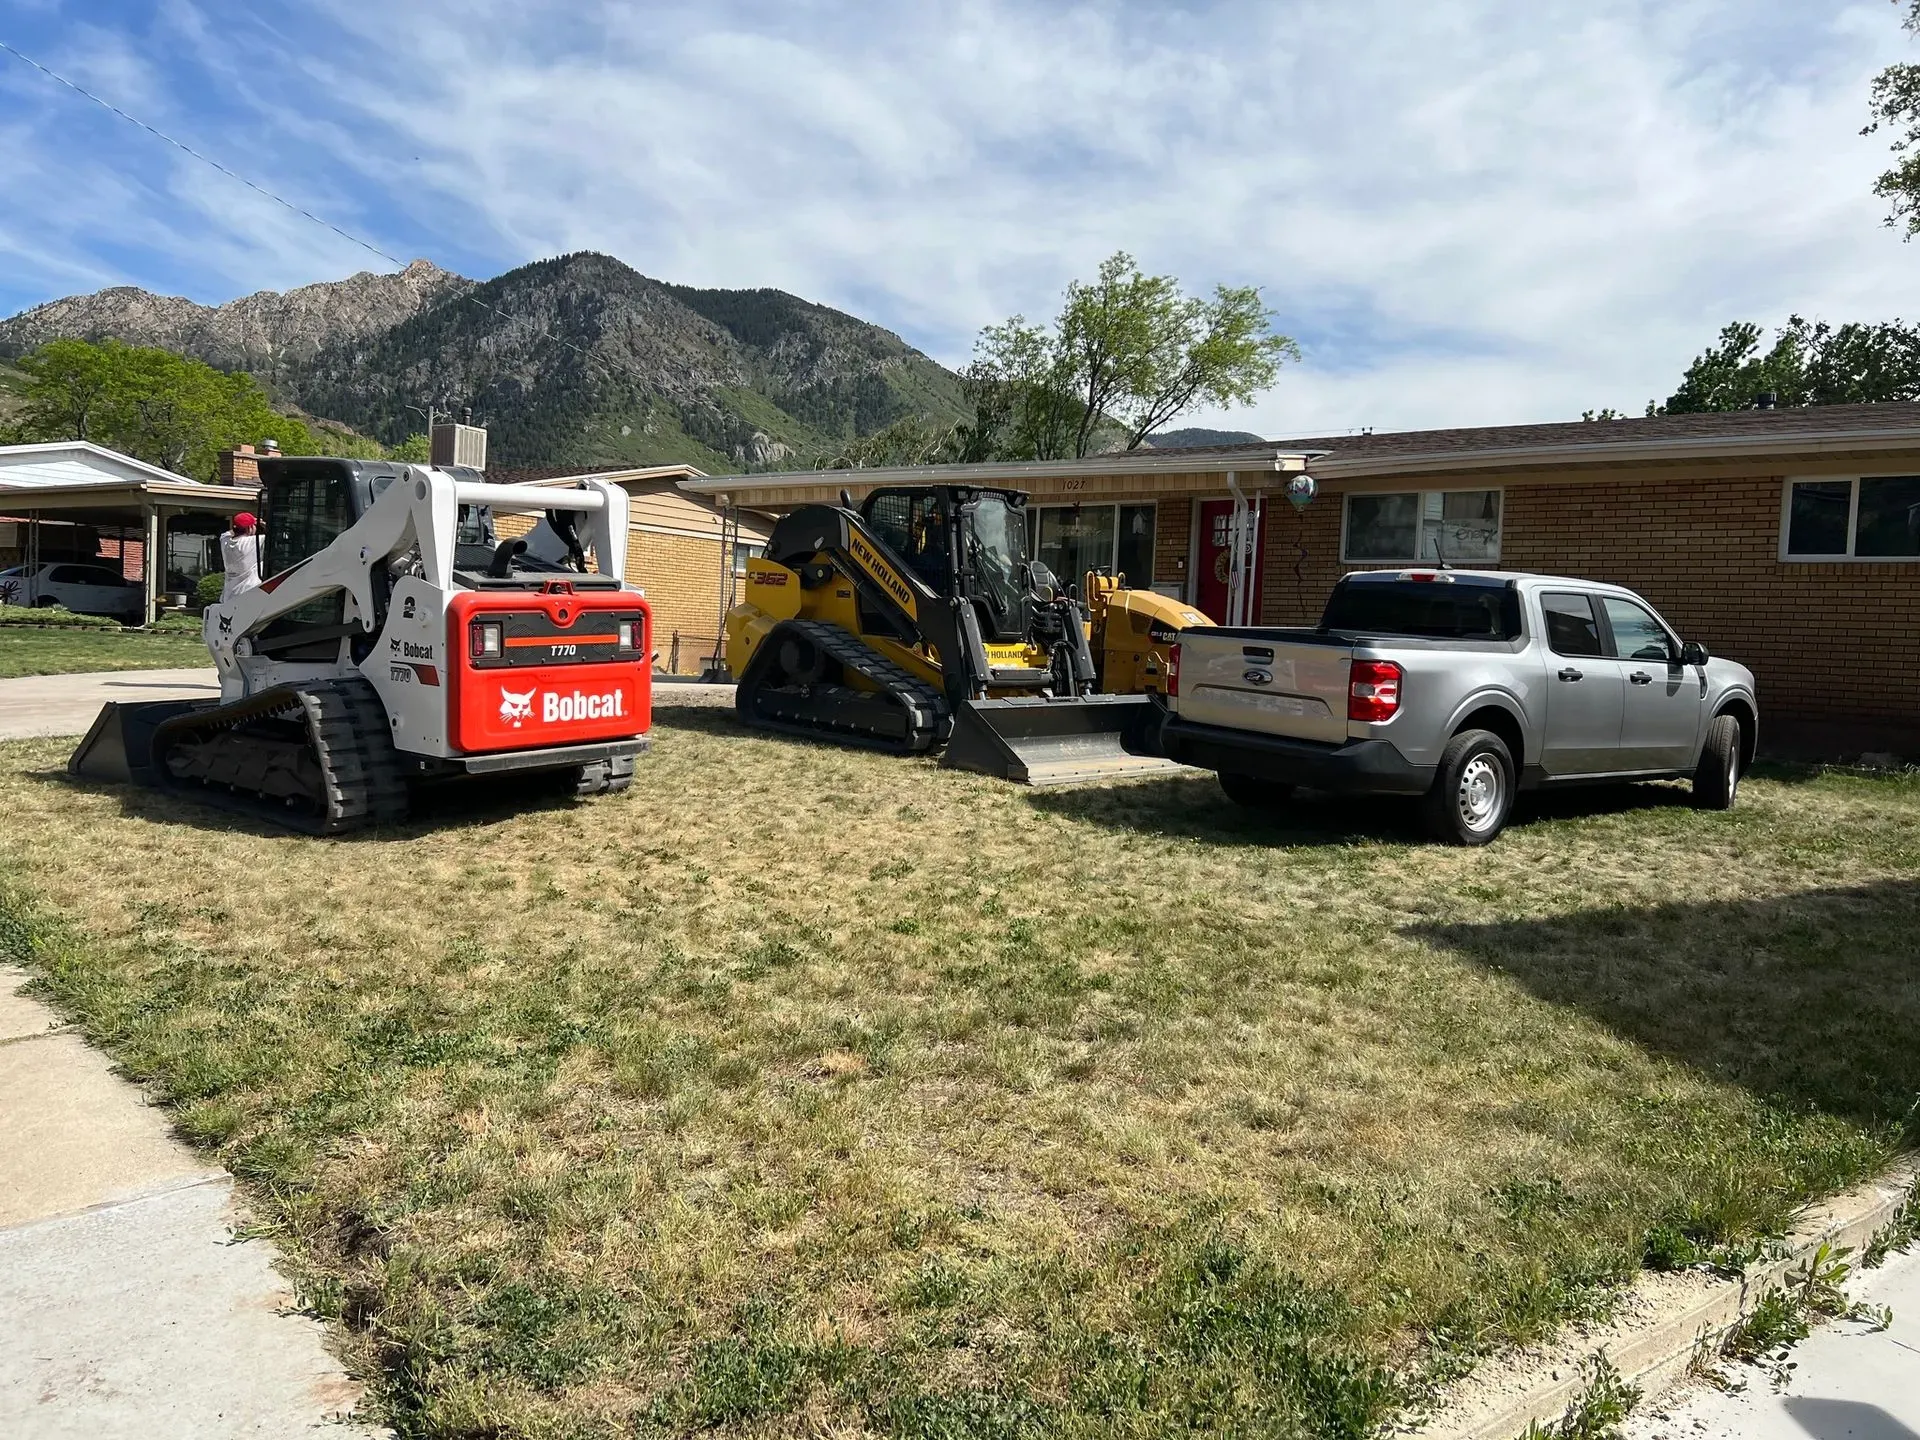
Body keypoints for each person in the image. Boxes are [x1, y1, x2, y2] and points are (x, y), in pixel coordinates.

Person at [219, 511, 262, 605]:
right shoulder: (254, 541)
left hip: (229, 596)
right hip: (249, 594)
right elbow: (275, 535)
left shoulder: (225, 542)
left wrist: (240, 524)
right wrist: (262, 523)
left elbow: (226, 534)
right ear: (249, 528)